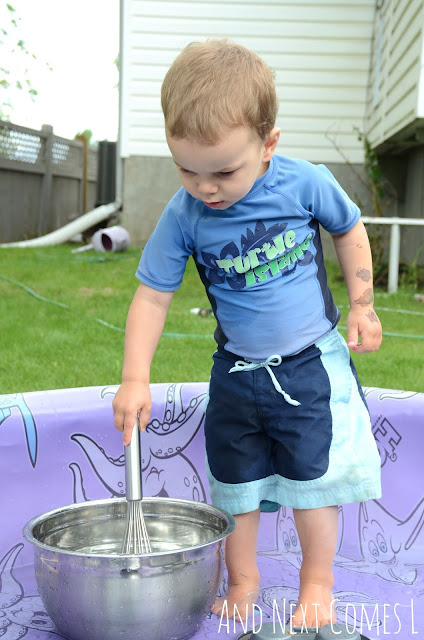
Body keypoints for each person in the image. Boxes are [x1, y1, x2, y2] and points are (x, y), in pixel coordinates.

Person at [112, 39, 382, 631]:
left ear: (269, 144)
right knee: (235, 482)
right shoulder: (184, 215)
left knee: (316, 479)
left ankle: (317, 582)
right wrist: (136, 378)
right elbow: (153, 296)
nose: (206, 187)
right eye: (188, 169)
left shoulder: (302, 183)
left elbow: (349, 227)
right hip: (237, 372)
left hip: (308, 364)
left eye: (224, 170)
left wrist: (362, 305)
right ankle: (244, 580)